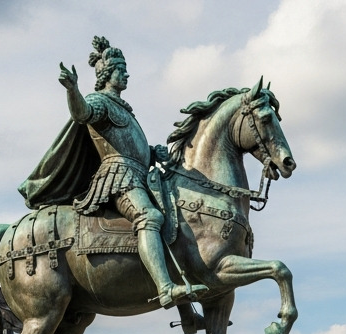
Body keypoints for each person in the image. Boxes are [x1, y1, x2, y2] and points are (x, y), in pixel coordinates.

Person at [19, 36, 206, 309]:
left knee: (176, 222)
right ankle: (165, 288)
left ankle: (187, 312)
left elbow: (128, 144)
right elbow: (81, 113)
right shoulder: (100, 102)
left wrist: (152, 153)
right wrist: (73, 89)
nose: (127, 74)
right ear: (107, 74)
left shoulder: (123, 108)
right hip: (119, 178)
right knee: (149, 217)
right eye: (121, 69)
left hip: (139, 175)